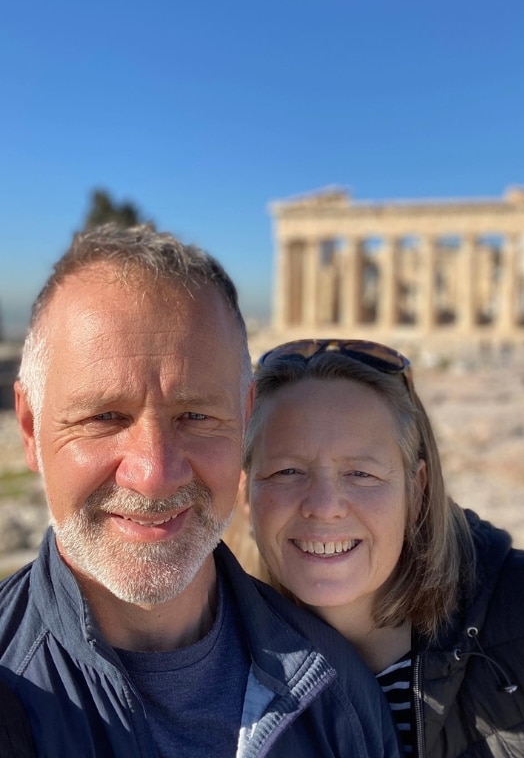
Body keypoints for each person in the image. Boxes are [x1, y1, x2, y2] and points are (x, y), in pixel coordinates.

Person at [0, 229, 402, 758]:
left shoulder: (340, 693)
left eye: (196, 415)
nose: (155, 473)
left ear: (244, 420)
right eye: (104, 417)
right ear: (31, 429)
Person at [243, 338, 524, 758]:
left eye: (361, 473)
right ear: (246, 497)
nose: (324, 507)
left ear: (416, 490)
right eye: (287, 471)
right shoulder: (222, 671)